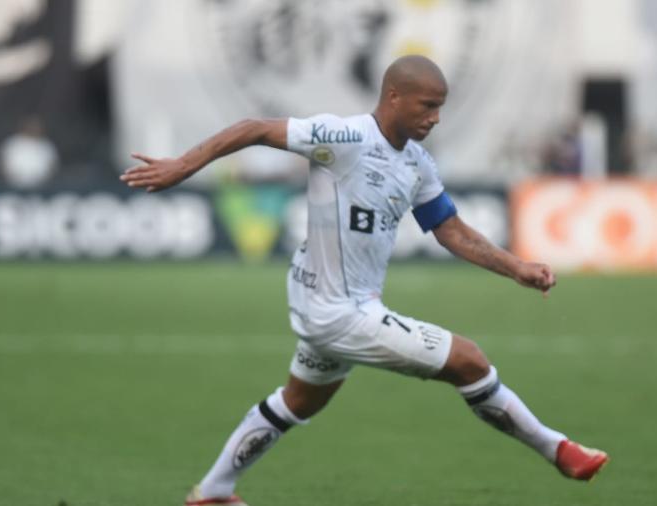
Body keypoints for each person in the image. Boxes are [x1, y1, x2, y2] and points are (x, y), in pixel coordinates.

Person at [121, 55, 608, 506]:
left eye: (440, 107)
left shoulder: (416, 163)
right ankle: (558, 450)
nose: (435, 117)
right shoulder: (342, 138)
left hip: (329, 304)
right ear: (394, 96)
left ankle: (213, 491)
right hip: (339, 312)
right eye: (429, 105)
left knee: (298, 402)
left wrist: (516, 267)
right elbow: (254, 128)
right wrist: (183, 165)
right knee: (469, 360)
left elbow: (450, 230)